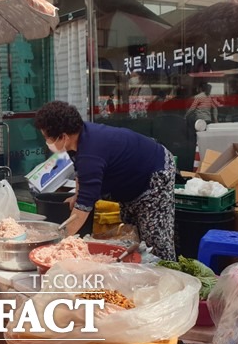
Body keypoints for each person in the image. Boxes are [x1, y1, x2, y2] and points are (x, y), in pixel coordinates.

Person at [34, 101, 176, 261]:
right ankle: (140, 272)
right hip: (128, 178)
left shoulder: (91, 152)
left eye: (47, 138)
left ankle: (171, 277)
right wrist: (76, 195)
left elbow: (83, 208)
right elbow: (80, 173)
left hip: (155, 172)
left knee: (155, 239)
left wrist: (59, 245)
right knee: (132, 234)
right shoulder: (78, 138)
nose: (47, 143)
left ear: (63, 136)